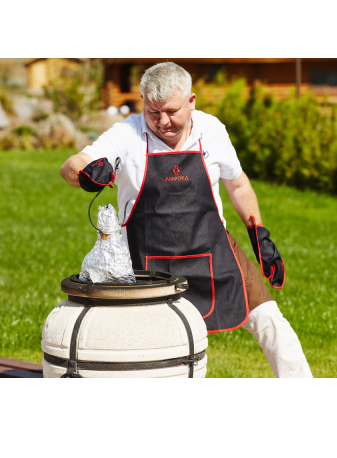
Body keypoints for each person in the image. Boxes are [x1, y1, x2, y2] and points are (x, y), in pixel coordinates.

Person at [61, 62, 312, 378]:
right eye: (153, 112)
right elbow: (72, 164)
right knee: (152, 351)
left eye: (172, 111)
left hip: (214, 251)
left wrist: (258, 232)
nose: (163, 121)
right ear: (143, 103)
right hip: (147, 264)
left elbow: (238, 184)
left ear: (191, 101)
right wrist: (85, 174)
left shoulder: (212, 130)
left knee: (271, 322)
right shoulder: (127, 133)